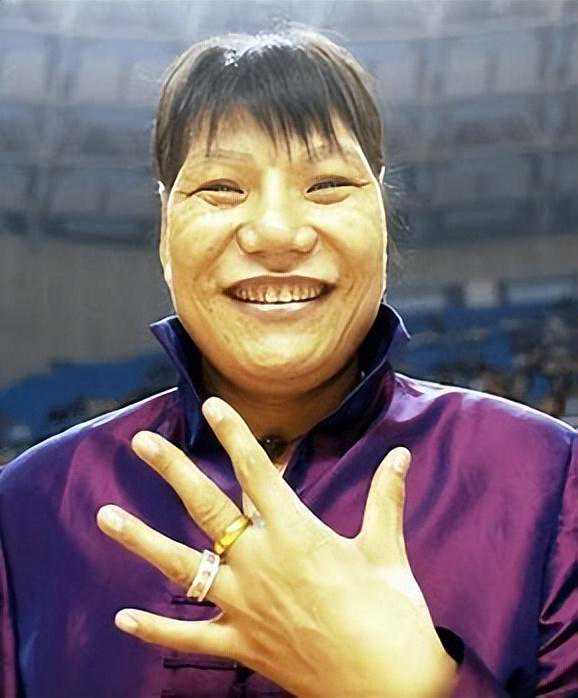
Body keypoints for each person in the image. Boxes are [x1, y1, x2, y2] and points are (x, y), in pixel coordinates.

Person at [0, 25, 576, 698]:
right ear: (165, 228)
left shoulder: (552, 480)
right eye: (221, 188)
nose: (277, 233)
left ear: (381, 216)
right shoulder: (29, 506)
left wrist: (411, 686)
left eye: (327, 184)